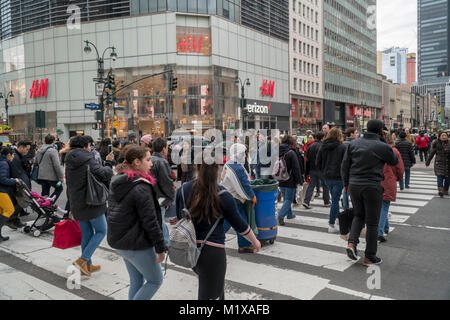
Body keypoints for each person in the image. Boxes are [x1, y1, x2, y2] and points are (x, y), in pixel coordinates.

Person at [176, 155, 261, 300]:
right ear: (218, 169)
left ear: (197, 167)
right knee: (211, 295)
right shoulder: (223, 195)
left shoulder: (183, 190)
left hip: (190, 249)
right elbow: (240, 225)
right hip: (213, 252)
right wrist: (255, 242)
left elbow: (179, 218)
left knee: (214, 291)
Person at [107, 146, 166, 300]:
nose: (151, 164)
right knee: (155, 280)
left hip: (121, 240)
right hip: (136, 243)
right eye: (148, 160)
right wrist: (160, 248)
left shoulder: (120, 180)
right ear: (137, 162)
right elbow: (150, 221)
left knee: (137, 280)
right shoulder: (140, 187)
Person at [342, 120, 398, 266]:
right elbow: (393, 161)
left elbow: (345, 165)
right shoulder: (382, 146)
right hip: (372, 185)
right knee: (372, 222)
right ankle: (369, 256)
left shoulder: (354, 143)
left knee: (358, 215)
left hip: (354, 184)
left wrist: (346, 184)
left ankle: (351, 244)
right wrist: (385, 141)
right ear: (380, 131)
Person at [65, 136, 114, 276]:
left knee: (87, 233)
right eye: (90, 145)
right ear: (86, 145)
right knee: (101, 231)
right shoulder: (88, 158)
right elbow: (103, 174)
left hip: (76, 201)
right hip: (92, 200)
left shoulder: (68, 159)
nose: (91, 147)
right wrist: (109, 163)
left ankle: (88, 265)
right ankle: (83, 260)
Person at [221, 143, 258, 253]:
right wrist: (252, 196)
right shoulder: (236, 167)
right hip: (233, 198)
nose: (245, 156)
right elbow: (244, 185)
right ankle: (211, 240)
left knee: (237, 221)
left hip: (227, 196)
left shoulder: (230, 163)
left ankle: (244, 245)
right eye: (244, 154)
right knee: (235, 221)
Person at [316, 128, 347, 233]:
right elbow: (346, 163)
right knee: (335, 200)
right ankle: (331, 223)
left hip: (327, 177)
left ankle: (337, 220)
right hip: (339, 177)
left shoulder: (323, 147)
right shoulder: (342, 147)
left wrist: (323, 172)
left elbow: (318, 162)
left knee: (334, 199)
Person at [378, 134, 404, 242]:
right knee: (384, 205)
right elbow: (400, 168)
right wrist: (397, 178)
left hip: (375, 180)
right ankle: (379, 231)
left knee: (381, 205)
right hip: (388, 180)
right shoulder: (394, 151)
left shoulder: (376, 150)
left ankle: (385, 227)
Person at [150, 137, 175, 246]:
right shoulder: (162, 162)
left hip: (150, 195)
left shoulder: (149, 159)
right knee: (160, 220)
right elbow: (166, 183)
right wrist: (169, 199)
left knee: (157, 220)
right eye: (167, 147)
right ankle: (165, 243)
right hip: (160, 197)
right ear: (163, 149)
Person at [277, 135, 303, 226]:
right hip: (290, 179)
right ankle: (281, 215)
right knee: (289, 199)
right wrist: (299, 180)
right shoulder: (291, 152)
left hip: (280, 178)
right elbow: (296, 168)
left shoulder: (277, 151)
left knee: (286, 198)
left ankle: (290, 214)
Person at [302, 131, 331, 209]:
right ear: (322, 138)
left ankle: (306, 201)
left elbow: (307, 160)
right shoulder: (323, 146)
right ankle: (326, 201)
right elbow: (326, 159)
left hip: (312, 169)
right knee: (325, 186)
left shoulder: (310, 147)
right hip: (321, 169)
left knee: (311, 186)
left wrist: (306, 172)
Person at [34, 135, 64, 202]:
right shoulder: (52, 151)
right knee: (59, 189)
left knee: (45, 193)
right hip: (51, 176)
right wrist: (61, 176)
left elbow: (35, 162)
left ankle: (43, 207)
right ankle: (49, 203)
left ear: (45, 141)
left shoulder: (39, 150)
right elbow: (57, 165)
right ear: (53, 141)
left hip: (41, 175)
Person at [0, 147, 21, 241]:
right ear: (8, 155)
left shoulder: (2, 162)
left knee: (1, 212)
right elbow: (3, 179)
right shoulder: (4, 164)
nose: (13, 157)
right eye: (13, 155)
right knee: (10, 209)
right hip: (1, 191)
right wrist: (14, 181)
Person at [10, 140, 32, 220]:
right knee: (20, 201)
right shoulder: (15, 157)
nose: (27, 151)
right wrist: (25, 186)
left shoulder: (18, 155)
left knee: (18, 201)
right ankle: (12, 219)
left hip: (17, 183)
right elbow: (17, 173)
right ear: (21, 147)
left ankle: (14, 218)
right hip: (18, 184)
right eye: (27, 149)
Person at [426, 132, 450, 197]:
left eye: (445, 135)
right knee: (440, 177)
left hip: (448, 164)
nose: (444, 136)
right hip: (439, 163)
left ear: (447, 136)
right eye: (442, 135)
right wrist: (428, 161)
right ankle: (441, 190)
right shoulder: (436, 143)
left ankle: (445, 189)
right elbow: (431, 153)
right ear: (439, 137)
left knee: (448, 179)